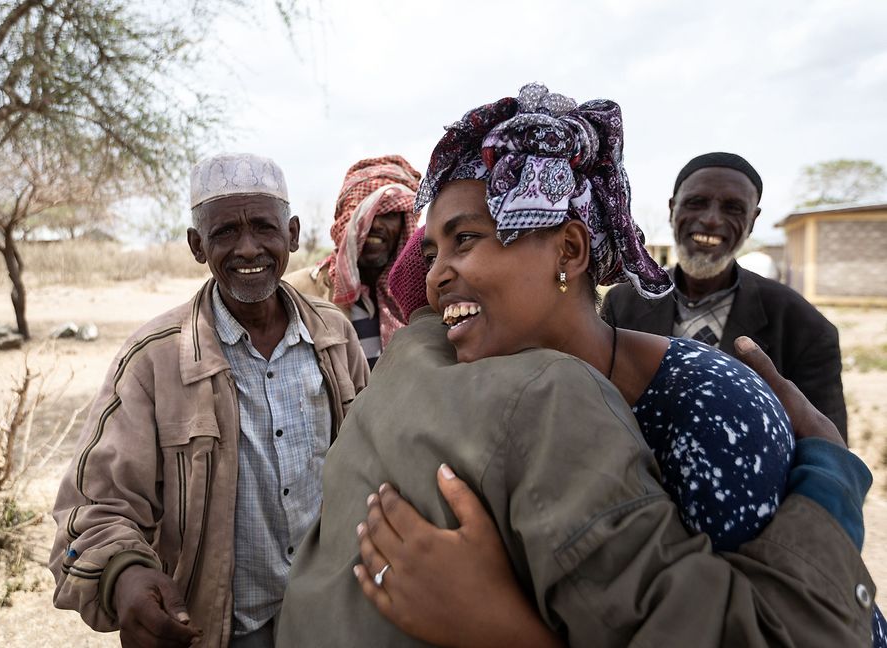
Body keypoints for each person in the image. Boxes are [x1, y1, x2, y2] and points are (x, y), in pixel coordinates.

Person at [274, 85, 876, 648]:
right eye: (432, 251)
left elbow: (764, 626)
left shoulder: (707, 408)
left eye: (467, 240)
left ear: (569, 250)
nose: (432, 276)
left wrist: (503, 625)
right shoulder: (479, 386)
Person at [49, 153, 369, 648]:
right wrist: (126, 574)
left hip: (329, 617)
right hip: (220, 631)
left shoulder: (335, 336)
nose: (248, 249)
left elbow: (369, 464)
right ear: (198, 246)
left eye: (264, 227)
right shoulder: (152, 359)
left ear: (293, 234)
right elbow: (96, 506)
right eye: (224, 233)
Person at [601, 152, 848, 441]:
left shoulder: (804, 327)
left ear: (753, 221)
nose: (710, 220)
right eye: (696, 203)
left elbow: (830, 456)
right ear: (672, 209)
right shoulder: (622, 304)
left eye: (733, 208)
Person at [286, 155, 421, 369]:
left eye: (388, 214)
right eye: (365, 215)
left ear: (404, 224)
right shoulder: (297, 293)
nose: (375, 225)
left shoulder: (421, 297)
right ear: (345, 222)